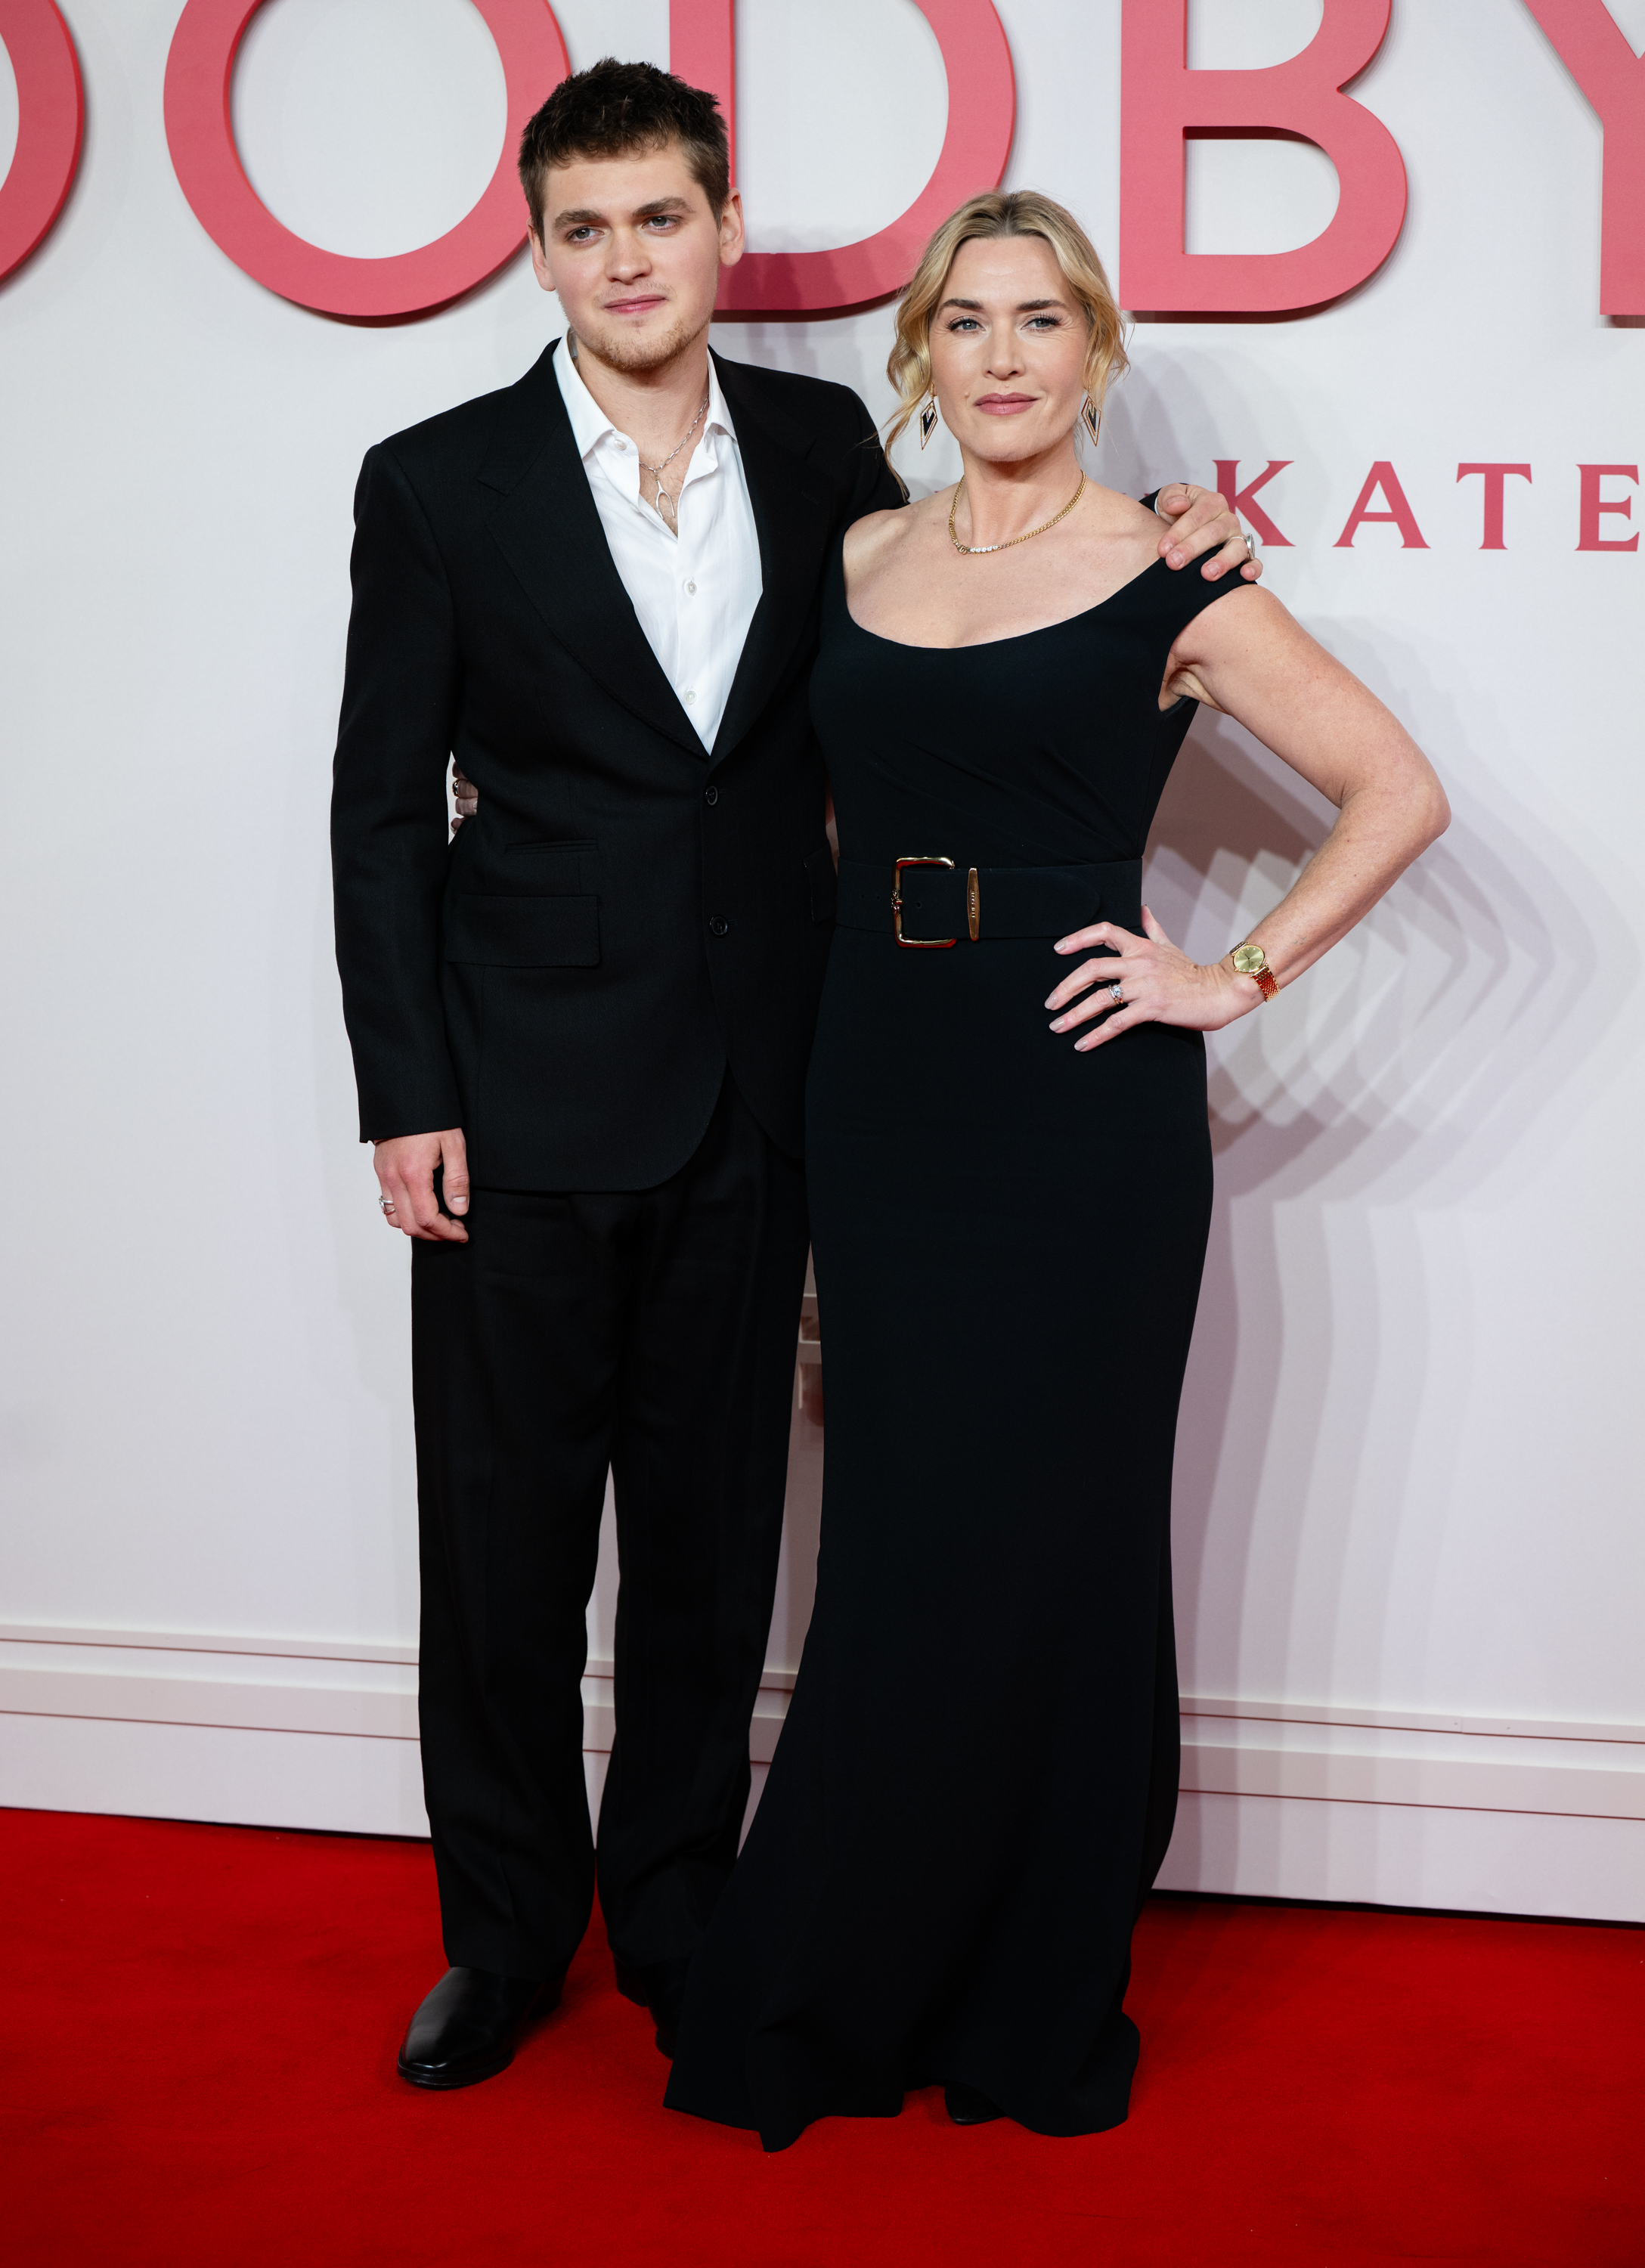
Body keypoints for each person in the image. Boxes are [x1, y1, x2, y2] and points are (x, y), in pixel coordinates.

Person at [330, 62, 1259, 2093]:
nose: (626, 257)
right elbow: (385, 812)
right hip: (517, 1102)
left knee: (709, 1543)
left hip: (775, 1094)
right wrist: (408, 1091)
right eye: (584, 228)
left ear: (722, 233)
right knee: (497, 1551)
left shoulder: (833, 444)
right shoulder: (434, 483)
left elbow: (981, 609)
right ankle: (503, 1934)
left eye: (660, 218)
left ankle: (675, 1905)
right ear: (544, 249)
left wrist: (1181, 521)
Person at [664, 188, 1449, 2150]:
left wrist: (1229, 976)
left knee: (1064, 1543)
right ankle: (856, 1964)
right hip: (882, 1073)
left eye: (1043, 320)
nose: (1005, 353)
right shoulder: (854, 547)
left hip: (1077, 1099)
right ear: (922, 353)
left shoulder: (1174, 574)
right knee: (901, 1543)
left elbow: (1397, 790)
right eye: (969, 321)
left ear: (1095, 352)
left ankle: (1027, 1988)